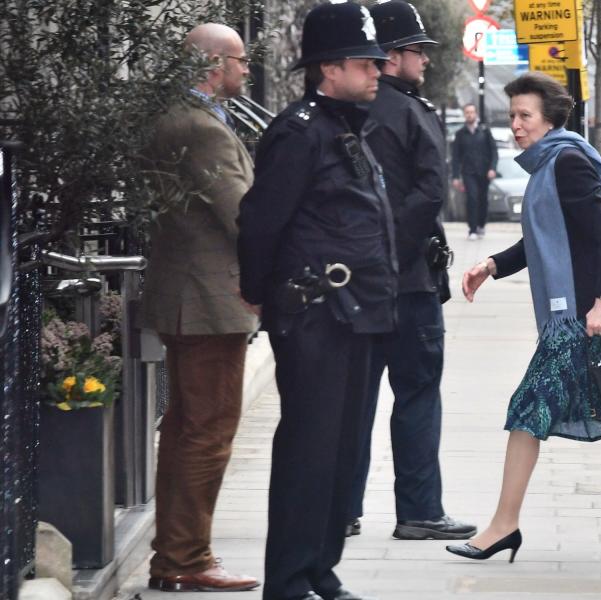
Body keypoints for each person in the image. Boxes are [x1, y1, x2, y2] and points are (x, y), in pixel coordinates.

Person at [446, 72, 601, 565]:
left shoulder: (568, 162)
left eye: (524, 116)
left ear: (550, 118)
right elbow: (546, 242)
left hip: (585, 318)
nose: (515, 125)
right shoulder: (553, 162)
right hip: (586, 316)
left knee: (529, 411)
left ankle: (503, 526)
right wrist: (493, 265)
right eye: (512, 115)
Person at [236, 4, 395, 599]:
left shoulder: (347, 126)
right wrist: (258, 293)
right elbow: (260, 220)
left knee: (343, 449)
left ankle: (319, 567)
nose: (377, 71)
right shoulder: (299, 131)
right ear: (329, 68)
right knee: (310, 448)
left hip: (361, 313)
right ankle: (288, 578)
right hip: (317, 315)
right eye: (365, 62)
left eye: (378, 60)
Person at [347, 0, 474, 542]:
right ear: (392, 55)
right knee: (417, 392)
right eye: (418, 51)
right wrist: (394, 248)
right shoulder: (413, 113)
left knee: (354, 398)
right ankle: (419, 510)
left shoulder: (348, 110)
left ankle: (342, 508)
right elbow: (429, 192)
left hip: (355, 283)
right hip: (408, 283)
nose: (424, 60)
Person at [140, 23, 260, 593]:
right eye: (240, 60)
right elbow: (244, 217)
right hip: (210, 301)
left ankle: (176, 557)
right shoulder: (201, 129)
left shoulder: (178, 119)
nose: (247, 70)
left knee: (189, 427)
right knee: (207, 431)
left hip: (187, 297)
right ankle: (187, 559)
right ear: (214, 64)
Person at [450, 102, 497, 240]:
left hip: (484, 172)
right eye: (467, 112)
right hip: (468, 172)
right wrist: (455, 176)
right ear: (464, 115)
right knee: (472, 198)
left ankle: (481, 224)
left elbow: (494, 152)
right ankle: (472, 229)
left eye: (472, 112)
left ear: (475, 114)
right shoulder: (460, 134)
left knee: (483, 200)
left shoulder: (485, 131)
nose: (470, 115)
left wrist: (492, 168)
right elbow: (456, 157)